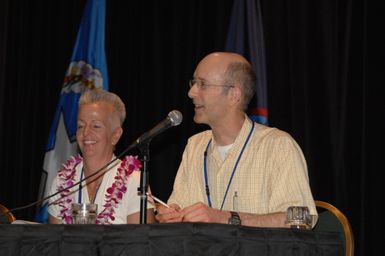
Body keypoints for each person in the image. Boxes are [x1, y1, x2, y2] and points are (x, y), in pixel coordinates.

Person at [156, 52, 317, 228]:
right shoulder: (195, 145)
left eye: (202, 84)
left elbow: (301, 220)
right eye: (193, 83)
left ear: (233, 94)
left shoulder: (278, 146)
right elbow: (178, 205)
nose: (191, 92)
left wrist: (227, 218)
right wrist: (172, 214)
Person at [48, 89, 155, 224]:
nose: (86, 132)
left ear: (115, 135)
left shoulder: (135, 182)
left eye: (96, 126)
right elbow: (53, 242)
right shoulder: (62, 182)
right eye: (81, 126)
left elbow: (141, 243)